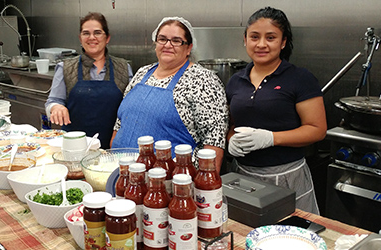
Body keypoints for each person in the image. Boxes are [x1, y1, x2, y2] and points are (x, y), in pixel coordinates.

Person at [226, 7, 327, 214]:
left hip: (287, 177)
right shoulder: (236, 81)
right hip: (242, 176)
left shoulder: (300, 78)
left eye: (270, 37)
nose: (261, 44)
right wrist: (230, 140)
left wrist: (271, 138)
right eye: (254, 37)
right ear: (245, 40)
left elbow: (317, 129)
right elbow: (231, 125)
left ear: (283, 42)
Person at [111, 17, 228, 172]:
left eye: (176, 41)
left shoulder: (203, 81)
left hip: (168, 182)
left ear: (189, 48)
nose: (167, 45)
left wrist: (205, 189)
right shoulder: (142, 73)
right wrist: (111, 159)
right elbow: (120, 123)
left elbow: (214, 140)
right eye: (162, 39)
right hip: (120, 172)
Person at [45, 12, 133, 148]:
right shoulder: (65, 67)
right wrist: (56, 107)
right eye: (86, 33)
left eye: (97, 32)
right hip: (75, 146)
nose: (92, 38)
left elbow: (130, 106)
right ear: (80, 38)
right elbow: (53, 101)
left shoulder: (123, 68)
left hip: (113, 146)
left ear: (107, 38)